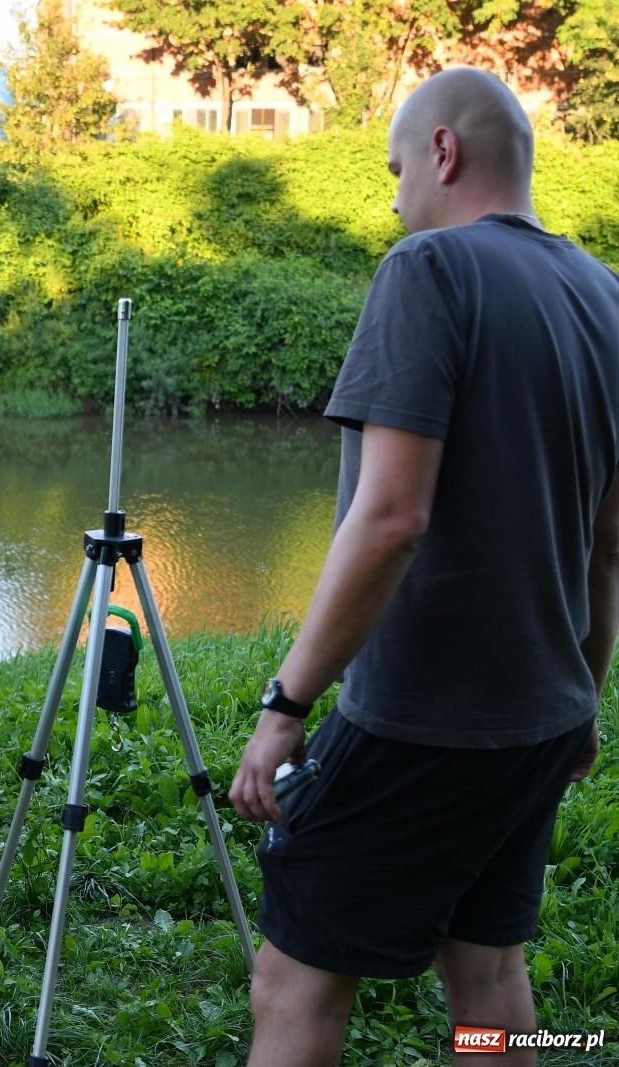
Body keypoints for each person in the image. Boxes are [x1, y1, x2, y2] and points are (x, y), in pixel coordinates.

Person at [228, 67, 619, 1066]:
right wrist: (582, 695)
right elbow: (607, 542)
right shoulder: (603, 296)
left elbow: (392, 515)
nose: (395, 194)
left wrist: (286, 701)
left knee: (293, 977)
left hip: (421, 718)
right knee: (486, 973)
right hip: (538, 714)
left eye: (397, 168)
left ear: (441, 152)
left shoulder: (428, 270)